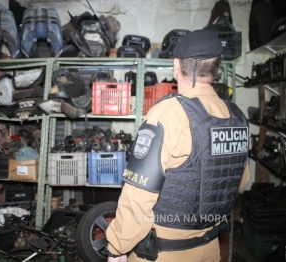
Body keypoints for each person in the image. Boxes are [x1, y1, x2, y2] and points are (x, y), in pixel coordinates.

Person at [105, 29, 250, 262]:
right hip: (210, 249)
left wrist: (118, 246)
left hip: (163, 252)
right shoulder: (236, 116)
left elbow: (138, 197)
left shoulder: (168, 114)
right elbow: (239, 182)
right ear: (216, 69)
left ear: (176, 65)